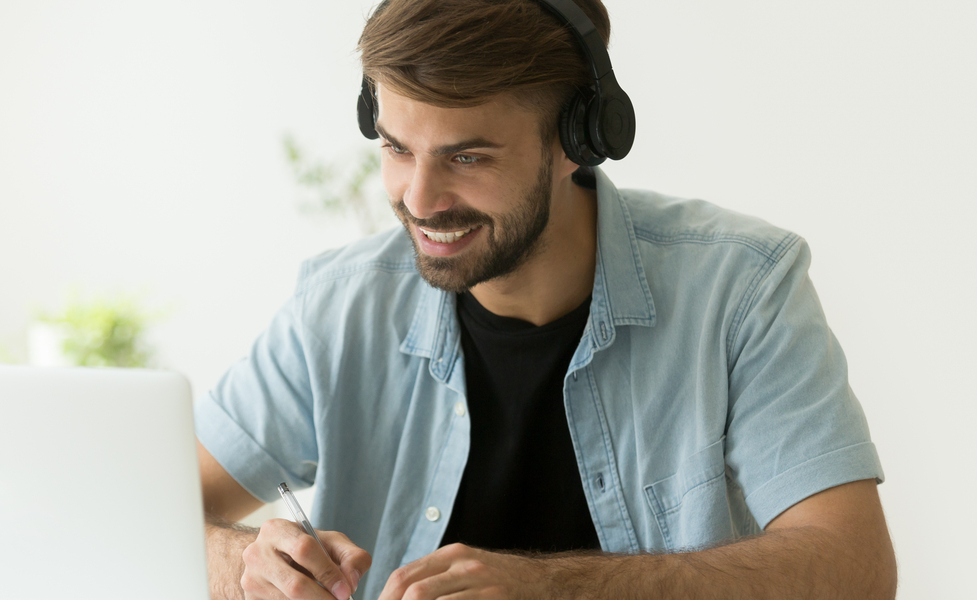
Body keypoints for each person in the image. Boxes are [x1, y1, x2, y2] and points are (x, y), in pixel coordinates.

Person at [195, 0, 895, 598]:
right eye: (396, 148)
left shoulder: (740, 289)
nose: (418, 199)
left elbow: (854, 567)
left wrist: (555, 588)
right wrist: (245, 562)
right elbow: (145, 509)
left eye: (467, 158)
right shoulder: (338, 306)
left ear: (578, 141)